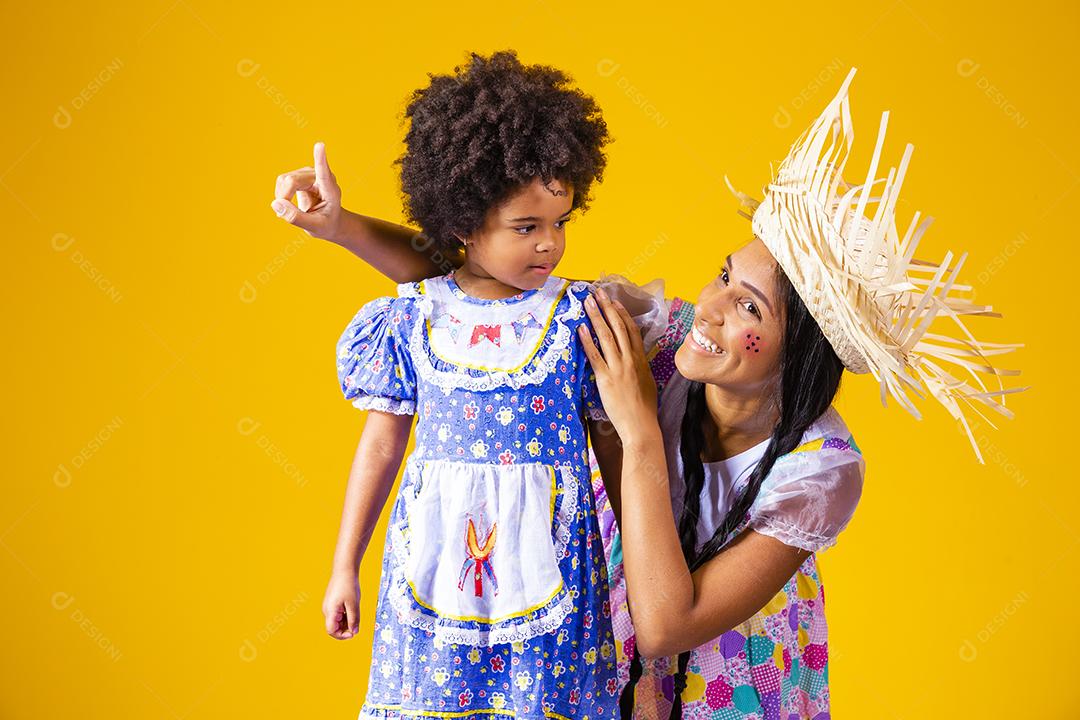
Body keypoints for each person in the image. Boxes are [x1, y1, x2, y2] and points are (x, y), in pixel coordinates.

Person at [273, 67, 1022, 719]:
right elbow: (470, 283)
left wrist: (634, 429)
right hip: (621, 667)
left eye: (751, 308)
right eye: (726, 275)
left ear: (801, 352)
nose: (714, 309)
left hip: (734, 680)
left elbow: (668, 623)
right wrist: (340, 227)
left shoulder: (819, 471)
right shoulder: (668, 343)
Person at [306, 51, 621, 719]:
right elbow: (380, 449)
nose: (550, 245)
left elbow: (617, 452)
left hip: (555, 574)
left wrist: (647, 571)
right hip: (433, 571)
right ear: (461, 225)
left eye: (560, 223)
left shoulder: (579, 318)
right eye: (526, 228)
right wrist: (344, 566)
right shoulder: (412, 316)